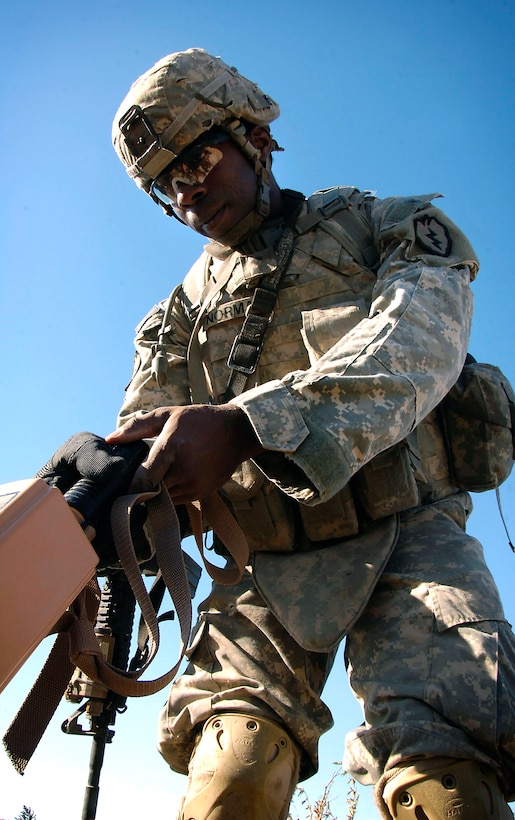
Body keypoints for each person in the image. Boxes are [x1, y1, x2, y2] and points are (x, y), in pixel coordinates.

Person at [100, 48, 515, 818]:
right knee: (233, 775)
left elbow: (418, 336)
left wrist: (251, 423)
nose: (186, 190)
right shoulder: (175, 318)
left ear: (256, 138)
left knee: (446, 780)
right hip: (265, 567)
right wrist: (101, 491)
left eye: (197, 157)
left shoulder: (380, 227)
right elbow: (143, 432)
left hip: (409, 533)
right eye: (165, 183)